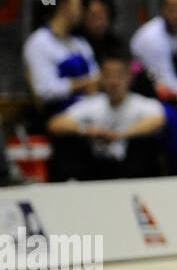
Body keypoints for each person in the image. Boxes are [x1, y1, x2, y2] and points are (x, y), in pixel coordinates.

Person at [46, 45, 165, 181]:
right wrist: (87, 131)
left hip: (134, 170)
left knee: (145, 146)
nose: (114, 82)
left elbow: (157, 120)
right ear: (101, 78)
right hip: (97, 169)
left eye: (119, 75)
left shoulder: (143, 104)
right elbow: (55, 124)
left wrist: (120, 135)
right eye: (108, 76)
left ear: (129, 77)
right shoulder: (92, 104)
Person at [23, 0, 99, 120]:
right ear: (64, 7)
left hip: (92, 109)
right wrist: (84, 84)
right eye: (78, 5)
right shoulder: (39, 42)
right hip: (60, 117)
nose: (82, 10)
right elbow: (44, 91)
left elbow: (96, 76)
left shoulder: (80, 43)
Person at [81, 0, 126, 68]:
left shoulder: (117, 44)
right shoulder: (76, 43)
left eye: (102, 16)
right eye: (93, 16)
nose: (98, 21)